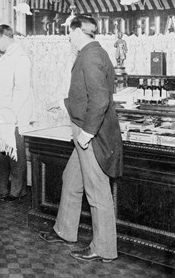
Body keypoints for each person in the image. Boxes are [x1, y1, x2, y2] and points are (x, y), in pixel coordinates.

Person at [39, 14, 122, 263]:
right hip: (84, 130)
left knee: (97, 192)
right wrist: (63, 104)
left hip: (90, 134)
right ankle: (65, 231)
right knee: (71, 179)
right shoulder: (93, 53)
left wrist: (86, 134)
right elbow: (85, 95)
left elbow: (100, 100)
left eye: (68, 33)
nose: (68, 38)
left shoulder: (90, 55)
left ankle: (104, 248)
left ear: (76, 32)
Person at [0, 24, 34, 201]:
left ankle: (17, 191)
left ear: (5, 37)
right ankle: (0, 187)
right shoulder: (7, 56)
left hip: (14, 114)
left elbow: (22, 90)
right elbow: (3, 81)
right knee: (2, 150)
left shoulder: (21, 57)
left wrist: (11, 113)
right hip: (4, 112)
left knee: (15, 153)